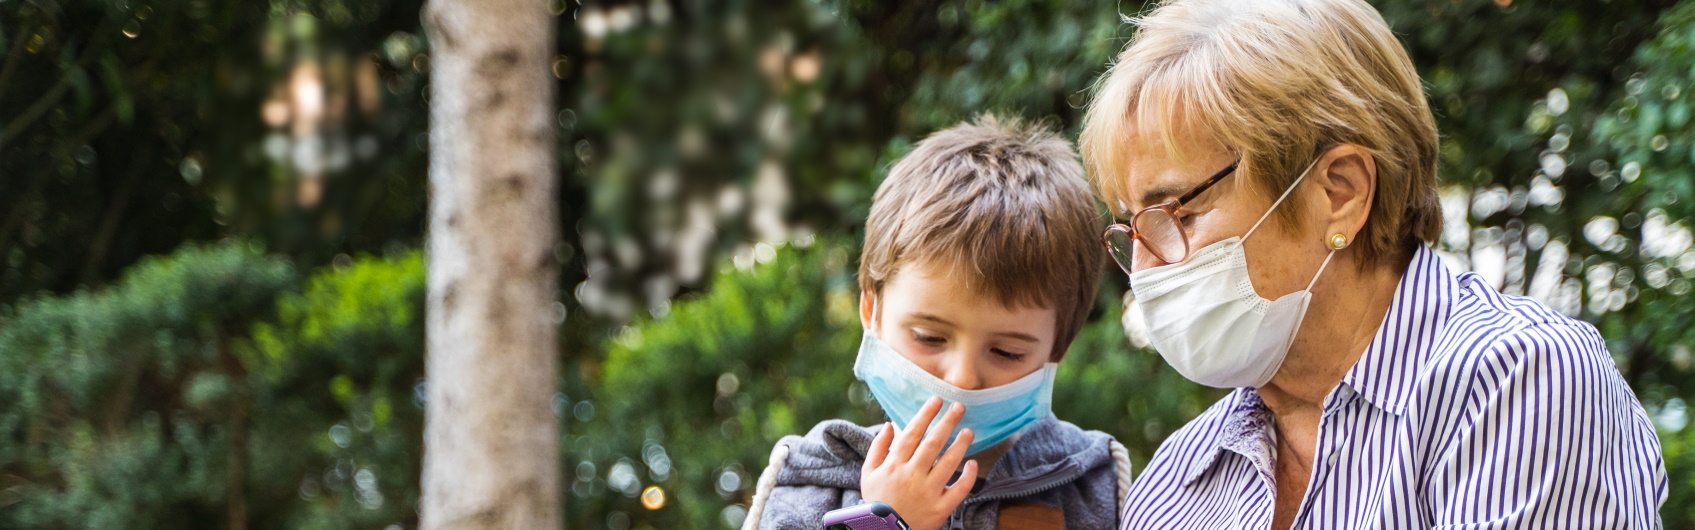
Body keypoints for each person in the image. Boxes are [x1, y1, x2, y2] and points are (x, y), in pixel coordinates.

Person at [1077, 0, 1668, 528]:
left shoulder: (1516, 383)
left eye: (1178, 212)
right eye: (1132, 225)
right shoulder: (1180, 477)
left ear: (1341, 192)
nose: (1146, 264)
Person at [741, 117, 1131, 530]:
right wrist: (884, 522)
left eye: (1006, 352)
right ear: (871, 311)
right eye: (929, 337)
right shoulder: (808, 485)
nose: (961, 378)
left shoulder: (1093, 485)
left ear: (1058, 348)